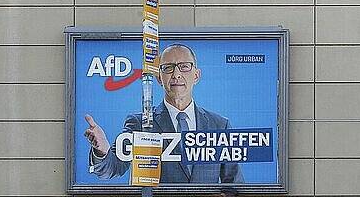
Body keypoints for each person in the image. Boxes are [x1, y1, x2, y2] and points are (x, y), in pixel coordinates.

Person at [84, 43, 244, 183]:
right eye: (168, 68)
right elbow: (112, 169)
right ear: (159, 78)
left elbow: (234, 184)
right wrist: (102, 150)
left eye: (184, 66)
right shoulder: (139, 123)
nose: (176, 74)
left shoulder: (220, 125)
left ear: (196, 75)